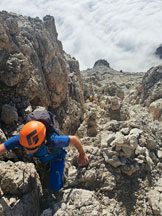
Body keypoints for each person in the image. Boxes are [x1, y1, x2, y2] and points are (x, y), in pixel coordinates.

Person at [0, 120, 89, 192]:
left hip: (56, 158)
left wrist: (82, 153)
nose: (26, 151)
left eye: (30, 149)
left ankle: (62, 177)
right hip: (41, 158)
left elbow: (74, 139)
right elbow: (3, 147)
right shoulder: (23, 139)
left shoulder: (54, 141)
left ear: (41, 143)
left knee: (55, 188)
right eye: (25, 147)